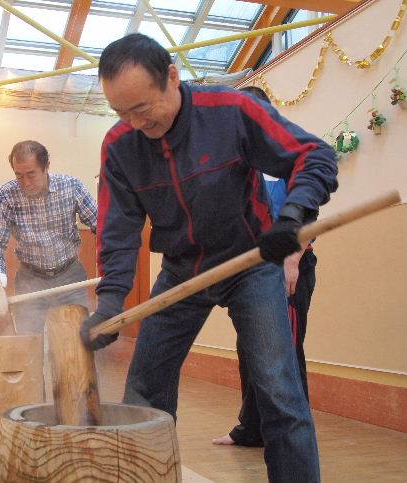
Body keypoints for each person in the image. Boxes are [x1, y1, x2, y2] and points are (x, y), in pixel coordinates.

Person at [80, 34, 337, 483]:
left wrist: (293, 215)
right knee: (143, 393)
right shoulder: (120, 145)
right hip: (181, 271)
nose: (135, 122)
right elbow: (118, 229)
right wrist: (110, 303)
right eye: (121, 112)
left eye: (142, 108)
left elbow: (313, 155)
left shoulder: (231, 110)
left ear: (173, 78)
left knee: (279, 392)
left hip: (250, 264)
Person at [213, 86, 318, 448]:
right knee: (250, 349)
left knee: (284, 351)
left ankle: (291, 434)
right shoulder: (237, 161)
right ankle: (252, 428)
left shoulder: (290, 154)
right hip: (250, 272)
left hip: (290, 266)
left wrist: (291, 263)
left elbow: (306, 219)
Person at [0, 140, 97, 334]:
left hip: (70, 276)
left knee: (75, 341)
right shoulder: (6, 195)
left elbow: (101, 225)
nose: (25, 182)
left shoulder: (71, 187)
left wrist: (115, 260)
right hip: (30, 278)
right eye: (19, 175)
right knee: (28, 341)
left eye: (31, 174)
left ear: (46, 166)